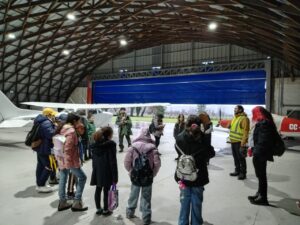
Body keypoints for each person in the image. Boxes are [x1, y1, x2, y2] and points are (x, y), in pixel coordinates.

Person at [175, 115, 215, 225]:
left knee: (184, 203)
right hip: (198, 176)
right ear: (199, 125)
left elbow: (178, 152)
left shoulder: (179, 138)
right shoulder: (202, 139)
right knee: (196, 203)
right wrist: (207, 136)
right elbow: (211, 153)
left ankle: (182, 223)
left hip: (183, 177)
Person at [124, 127, 161, 225]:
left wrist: (131, 171)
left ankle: (129, 213)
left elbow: (127, 162)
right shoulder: (153, 148)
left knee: (133, 195)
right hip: (148, 177)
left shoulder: (132, 147)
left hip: (135, 176)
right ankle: (146, 218)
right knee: (146, 197)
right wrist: (153, 173)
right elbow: (157, 164)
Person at [57, 113, 88, 211]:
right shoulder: (71, 132)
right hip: (69, 160)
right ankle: (77, 202)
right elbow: (68, 148)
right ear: (74, 121)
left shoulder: (63, 129)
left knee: (63, 178)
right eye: (78, 121)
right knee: (83, 177)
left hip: (61, 158)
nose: (79, 123)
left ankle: (62, 202)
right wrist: (69, 163)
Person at [248, 106, 276, 206]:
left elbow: (263, 141)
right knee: (260, 176)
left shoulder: (265, 123)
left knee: (261, 176)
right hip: (259, 153)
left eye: (254, 113)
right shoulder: (263, 122)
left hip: (260, 154)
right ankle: (259, 194)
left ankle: (263, 198)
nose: (253, 115)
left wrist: (255, 151)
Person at [90, 127, 118, 216]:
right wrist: (115, 177)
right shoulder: (110, 145)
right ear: (109, 135)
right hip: (107, 171)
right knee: (106, 190)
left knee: (98, 189)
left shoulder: (94, 145)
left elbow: (93, 160)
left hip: (97, 170)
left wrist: (94, 171)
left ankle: (98, 209)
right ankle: (106, 210)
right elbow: (113, 162)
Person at [34, 107, 57, 193]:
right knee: (49, 166)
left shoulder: (40, 121)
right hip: (45, 148)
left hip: (40, 148)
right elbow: (50, 134)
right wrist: (56, 127)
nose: (54, 117)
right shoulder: (46, 122)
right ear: (49, 115)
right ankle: (41, 184)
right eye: (52, 115)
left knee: (40, 166)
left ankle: (39, 184)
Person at [228, 105, 250, 180]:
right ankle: (237, 170)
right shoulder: (235, 117)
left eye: (236, 108)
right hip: (233, 141)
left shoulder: (244, 119)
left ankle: (243, 173)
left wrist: (243, 143)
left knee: (241, 158)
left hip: (239, 142)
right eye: (234, 108)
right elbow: (233, 127)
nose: (234, 110)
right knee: (235, 157)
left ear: (240, 110)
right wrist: (229, 125)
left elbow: (245, 131)